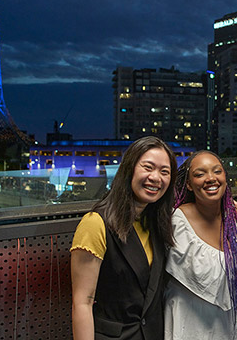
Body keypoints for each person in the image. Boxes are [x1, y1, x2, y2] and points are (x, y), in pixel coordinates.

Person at [70, 136, 177, 340]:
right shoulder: (95, 223)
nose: (156, 178)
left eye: (165, 172)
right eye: (148, 167)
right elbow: (82, 303)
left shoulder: (156, 222)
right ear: (129, 169)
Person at [164, 150, 237, 340]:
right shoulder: (175, 222)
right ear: (188, 184)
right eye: (200, 174)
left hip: (229, 325)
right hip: (187, 323)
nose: (211, 178)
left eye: (217, 171)